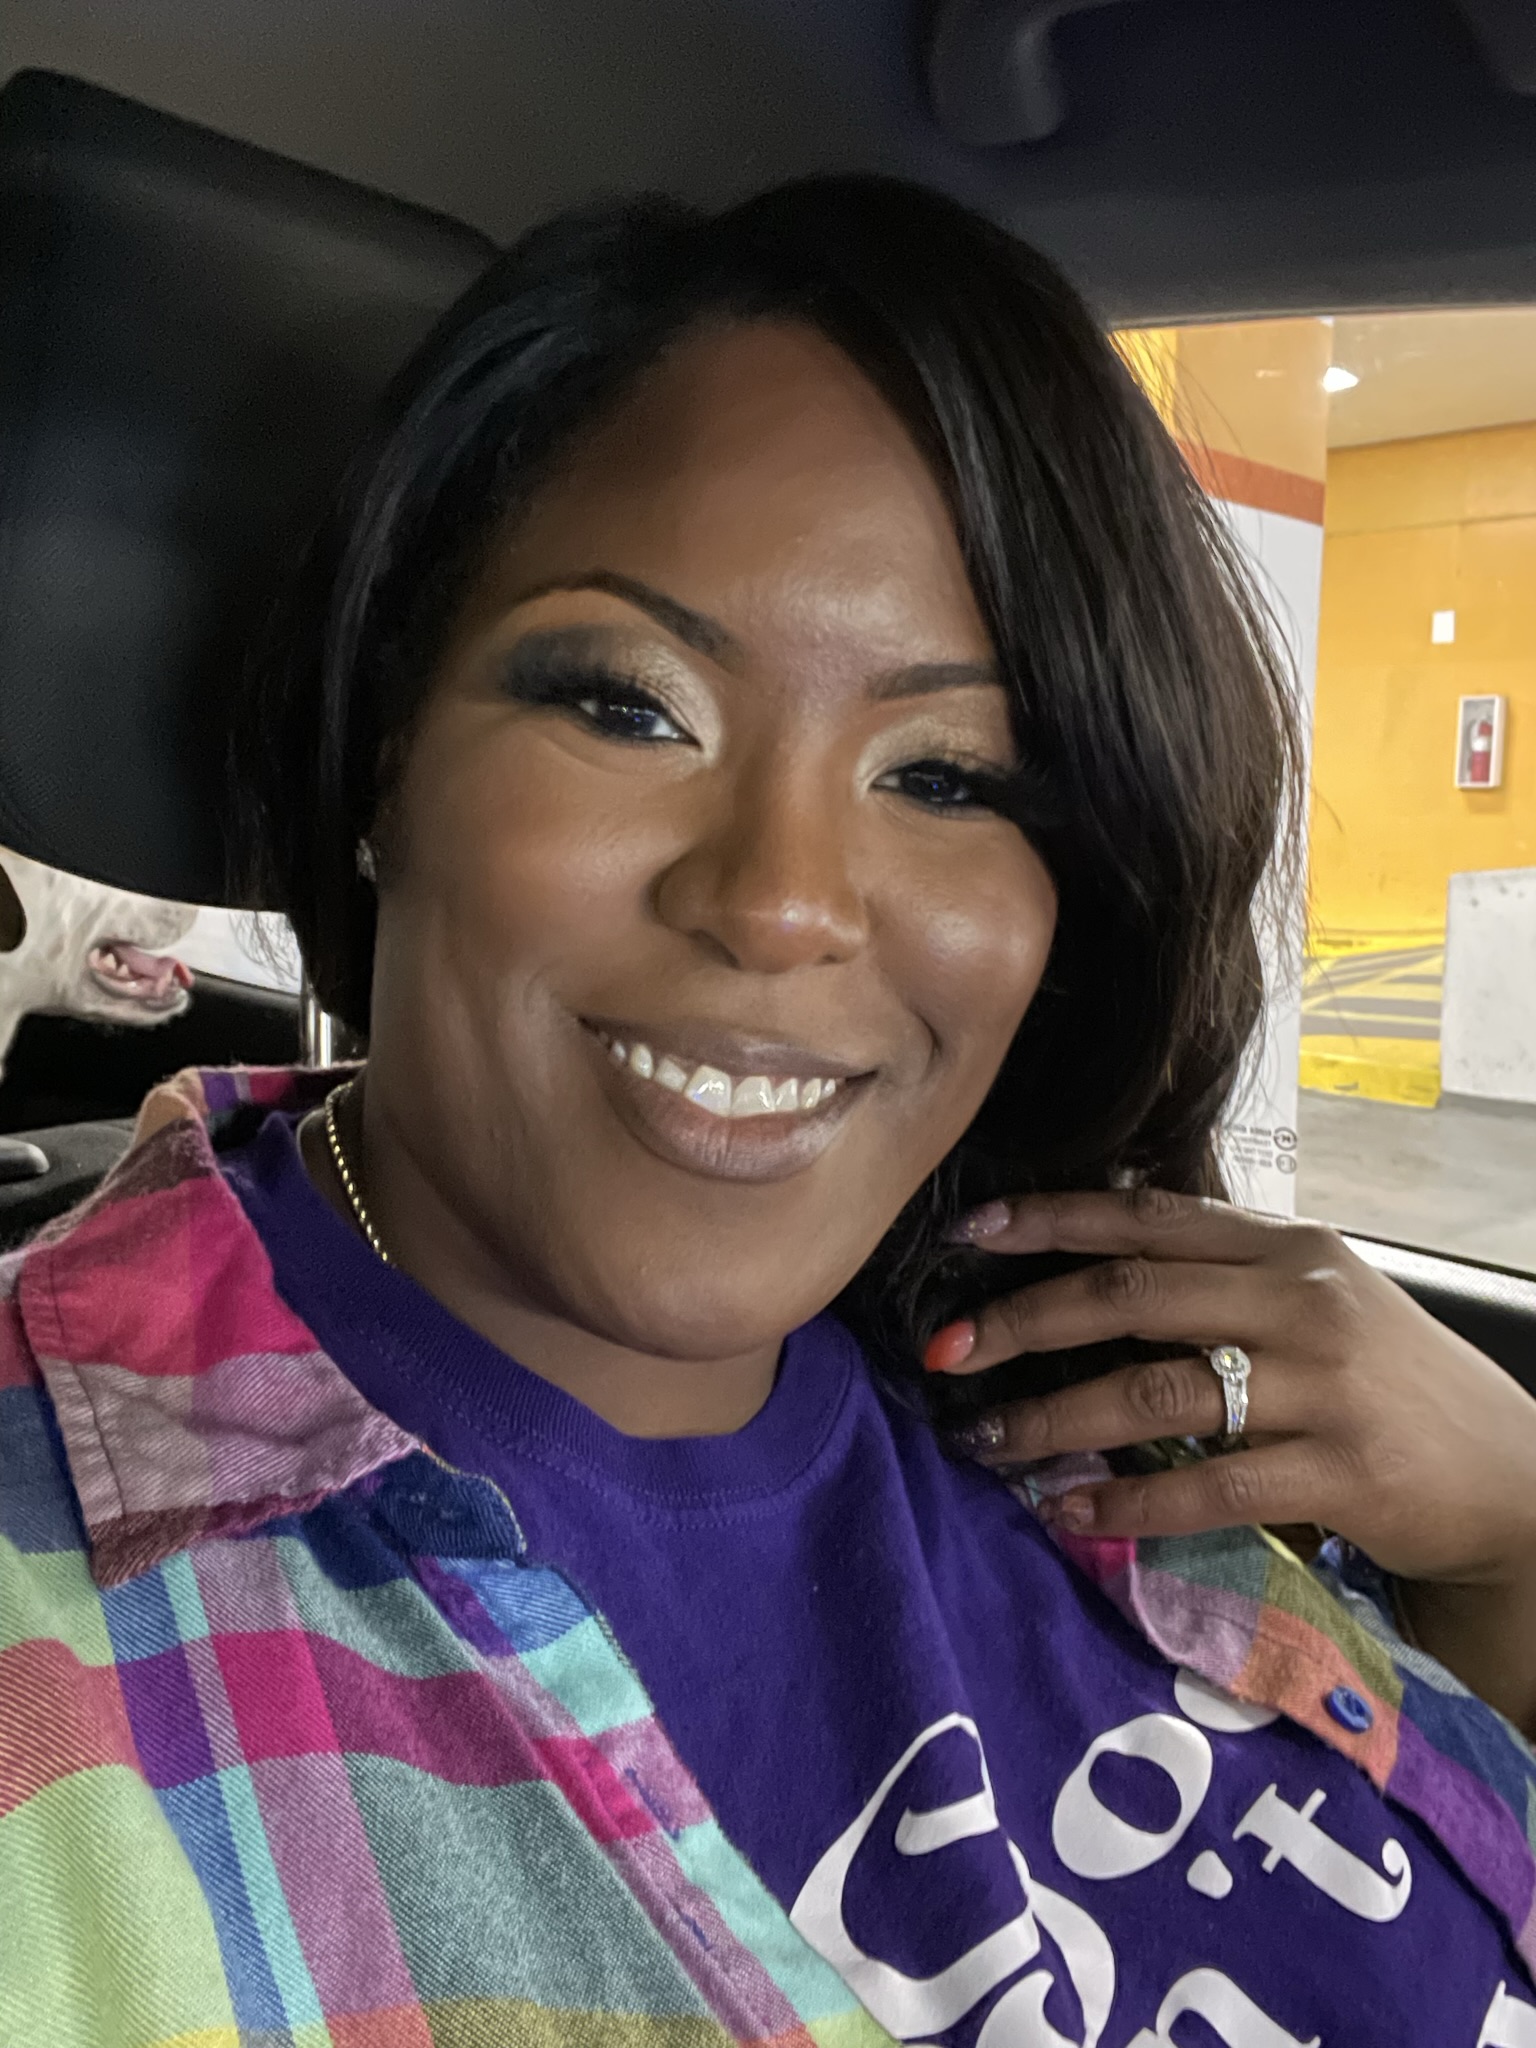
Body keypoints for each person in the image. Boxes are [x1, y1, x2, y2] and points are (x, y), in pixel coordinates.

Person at [4, 177, 1535, 2048]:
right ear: (389, 743)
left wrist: (1518, 1531)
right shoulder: (53, 1658)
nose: (786, 901)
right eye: (631, 706)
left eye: (950, 776)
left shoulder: (1116, 1388)